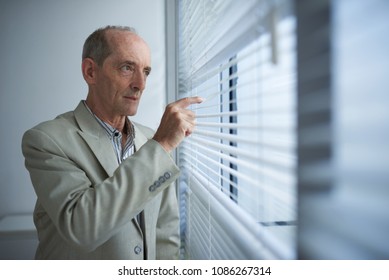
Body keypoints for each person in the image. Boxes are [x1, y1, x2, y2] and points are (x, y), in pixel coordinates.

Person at [21, 25, 203, 260]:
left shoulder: (150, 139)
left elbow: (164, 235)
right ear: (90, 72)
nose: (141, 84)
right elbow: (82, 228)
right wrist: (161, 145)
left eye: (146, 71)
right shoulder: (46, 140)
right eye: (127, 67)